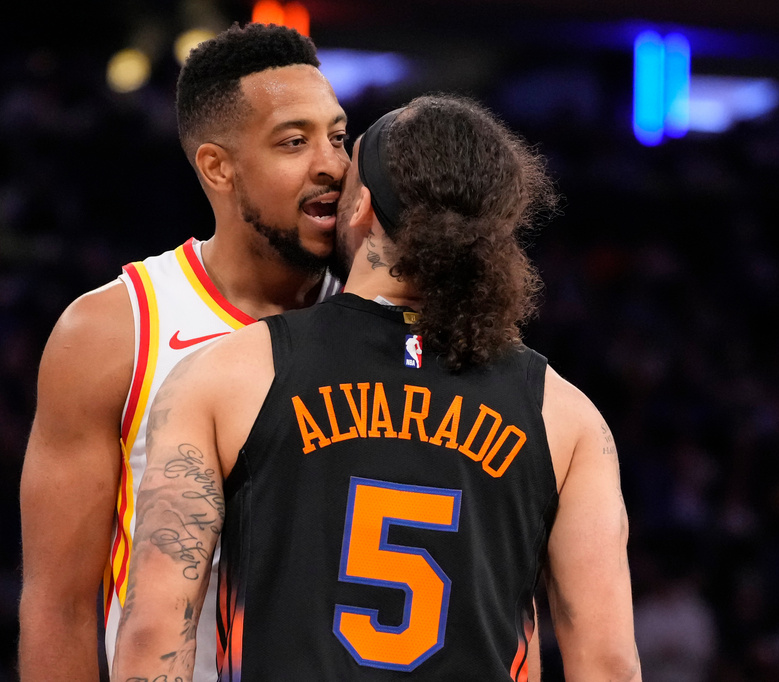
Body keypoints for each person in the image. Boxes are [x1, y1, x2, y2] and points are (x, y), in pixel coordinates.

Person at [112, 94, 642, 681]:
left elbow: (154, 632)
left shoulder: (229, 373)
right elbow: (608, 662)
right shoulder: (566, 416)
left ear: (362, 205)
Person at [18, 22, 350, 682]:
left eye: (338, 137)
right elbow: (59, 609)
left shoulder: (388, 321)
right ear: (217, 167)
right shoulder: (112, 331)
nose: (332, 165)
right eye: (294, 141)